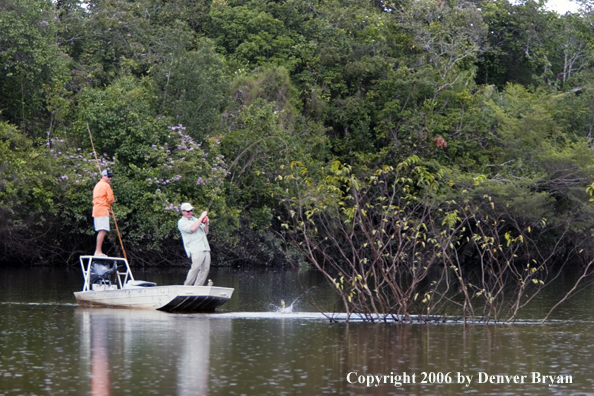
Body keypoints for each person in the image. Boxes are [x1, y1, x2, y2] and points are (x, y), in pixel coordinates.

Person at [178, 202, 211, 286]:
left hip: (205, 247)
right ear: (183, 212)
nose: (190, 212)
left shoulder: (195, 219)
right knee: (195, 268)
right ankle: (187, 286)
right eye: (187, 211)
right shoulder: (181, 222)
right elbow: (192, 229)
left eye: (191, 210)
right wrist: (201, 218)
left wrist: (206, 222)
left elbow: (205, 231)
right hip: (195, 248)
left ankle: (197, 287)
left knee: (205, 269)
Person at [92, 169, 114, 257]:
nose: (110, 178)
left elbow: (99, 200)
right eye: (108, 176)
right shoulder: (106, 185)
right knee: (102, 230)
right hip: (101, 211)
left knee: (101, 230)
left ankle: (98, 251)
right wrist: (110, 205)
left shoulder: (97, 185)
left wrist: (107, 210)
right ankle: (98, 251)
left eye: (111, 177)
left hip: (97, 211)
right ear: (103, 176)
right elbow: (110, 199)